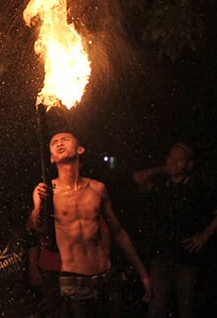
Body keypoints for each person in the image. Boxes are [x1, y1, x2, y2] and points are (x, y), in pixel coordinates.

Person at [29, 128, 152, 318]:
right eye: (54, 143)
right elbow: (38, 228)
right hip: (74, 280)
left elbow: (118, 232)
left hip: (106, 276)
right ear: (51, 158)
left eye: (65, 139)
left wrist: (143, 273)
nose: (60, 143)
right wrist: (41, 205)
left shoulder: (97, 188)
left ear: (80, 150)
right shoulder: (45, 191)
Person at [132, 140, 217, 318]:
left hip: (187, 258)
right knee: (156, 308)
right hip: (161, 255)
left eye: (180, 159)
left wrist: (204, 236)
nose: (174, 162)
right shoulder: (161, 185)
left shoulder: (197, 187)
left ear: (189, 164)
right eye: (171, 157)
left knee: (186, 309)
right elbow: (138, 178)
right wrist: (164, 168)